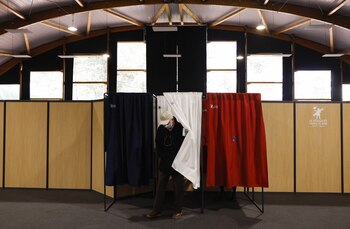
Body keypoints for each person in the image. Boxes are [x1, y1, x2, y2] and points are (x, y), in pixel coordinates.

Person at [146, 111, 186, 220]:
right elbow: (158, 146)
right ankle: (157, 209)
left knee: (178, 187)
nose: (166, 125)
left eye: (167, 122)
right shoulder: (161, 129)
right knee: (160, 186)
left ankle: (178, 210)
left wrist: (175, 160)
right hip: (164, 161)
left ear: (172, 119)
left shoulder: (180, 128)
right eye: (164, 123)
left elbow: (183, 146)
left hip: (178, 162)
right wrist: (164, 158)